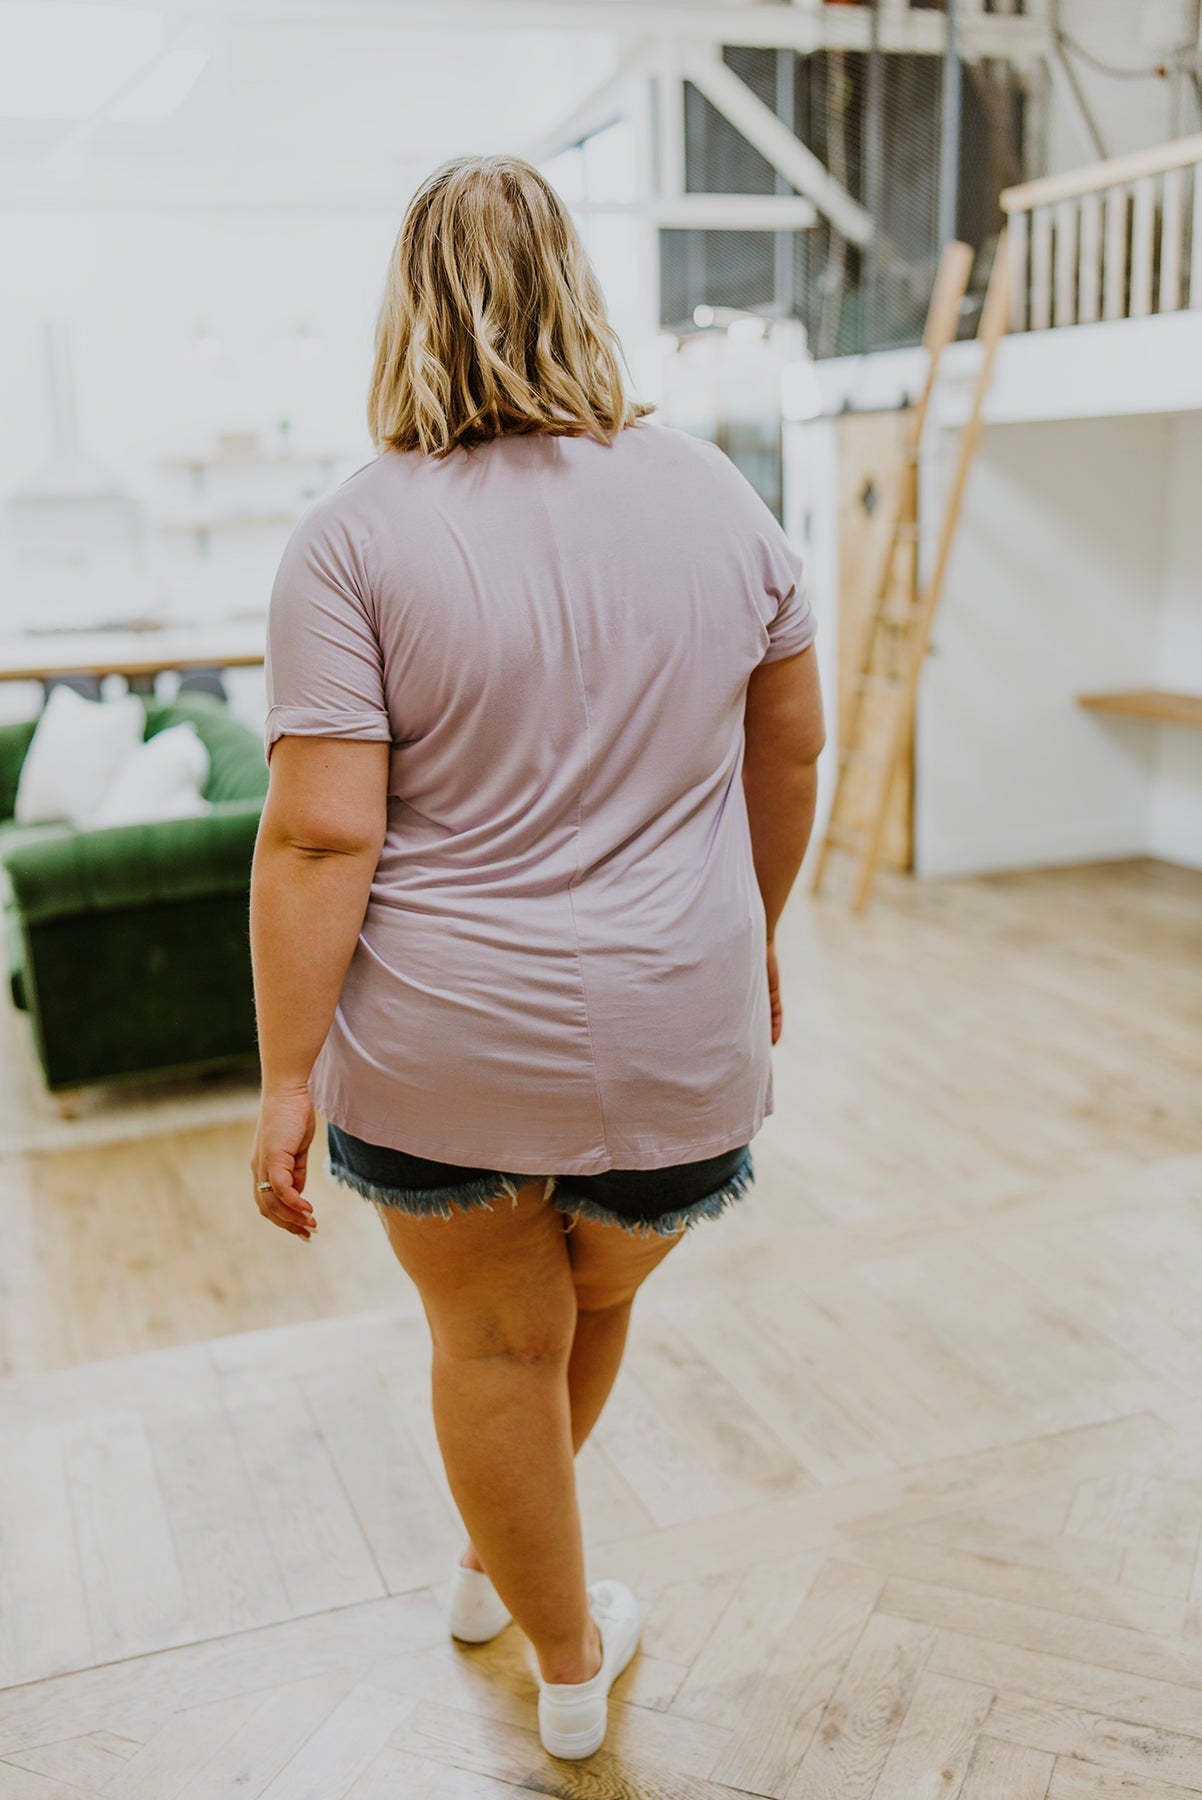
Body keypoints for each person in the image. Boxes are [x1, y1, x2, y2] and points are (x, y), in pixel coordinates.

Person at [248, 150, 825, 1762]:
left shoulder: (348, 539)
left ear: (404, 306)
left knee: (494, 1340)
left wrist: (287, 1074)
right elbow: (790, 754)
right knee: (587, 1298)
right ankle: (515, 1567)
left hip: (444, 1047)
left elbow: (318, 837)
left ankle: (559, 1651)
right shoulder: (715, 492)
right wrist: (753, 934)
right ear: (577, 288)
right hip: (677, 1032)